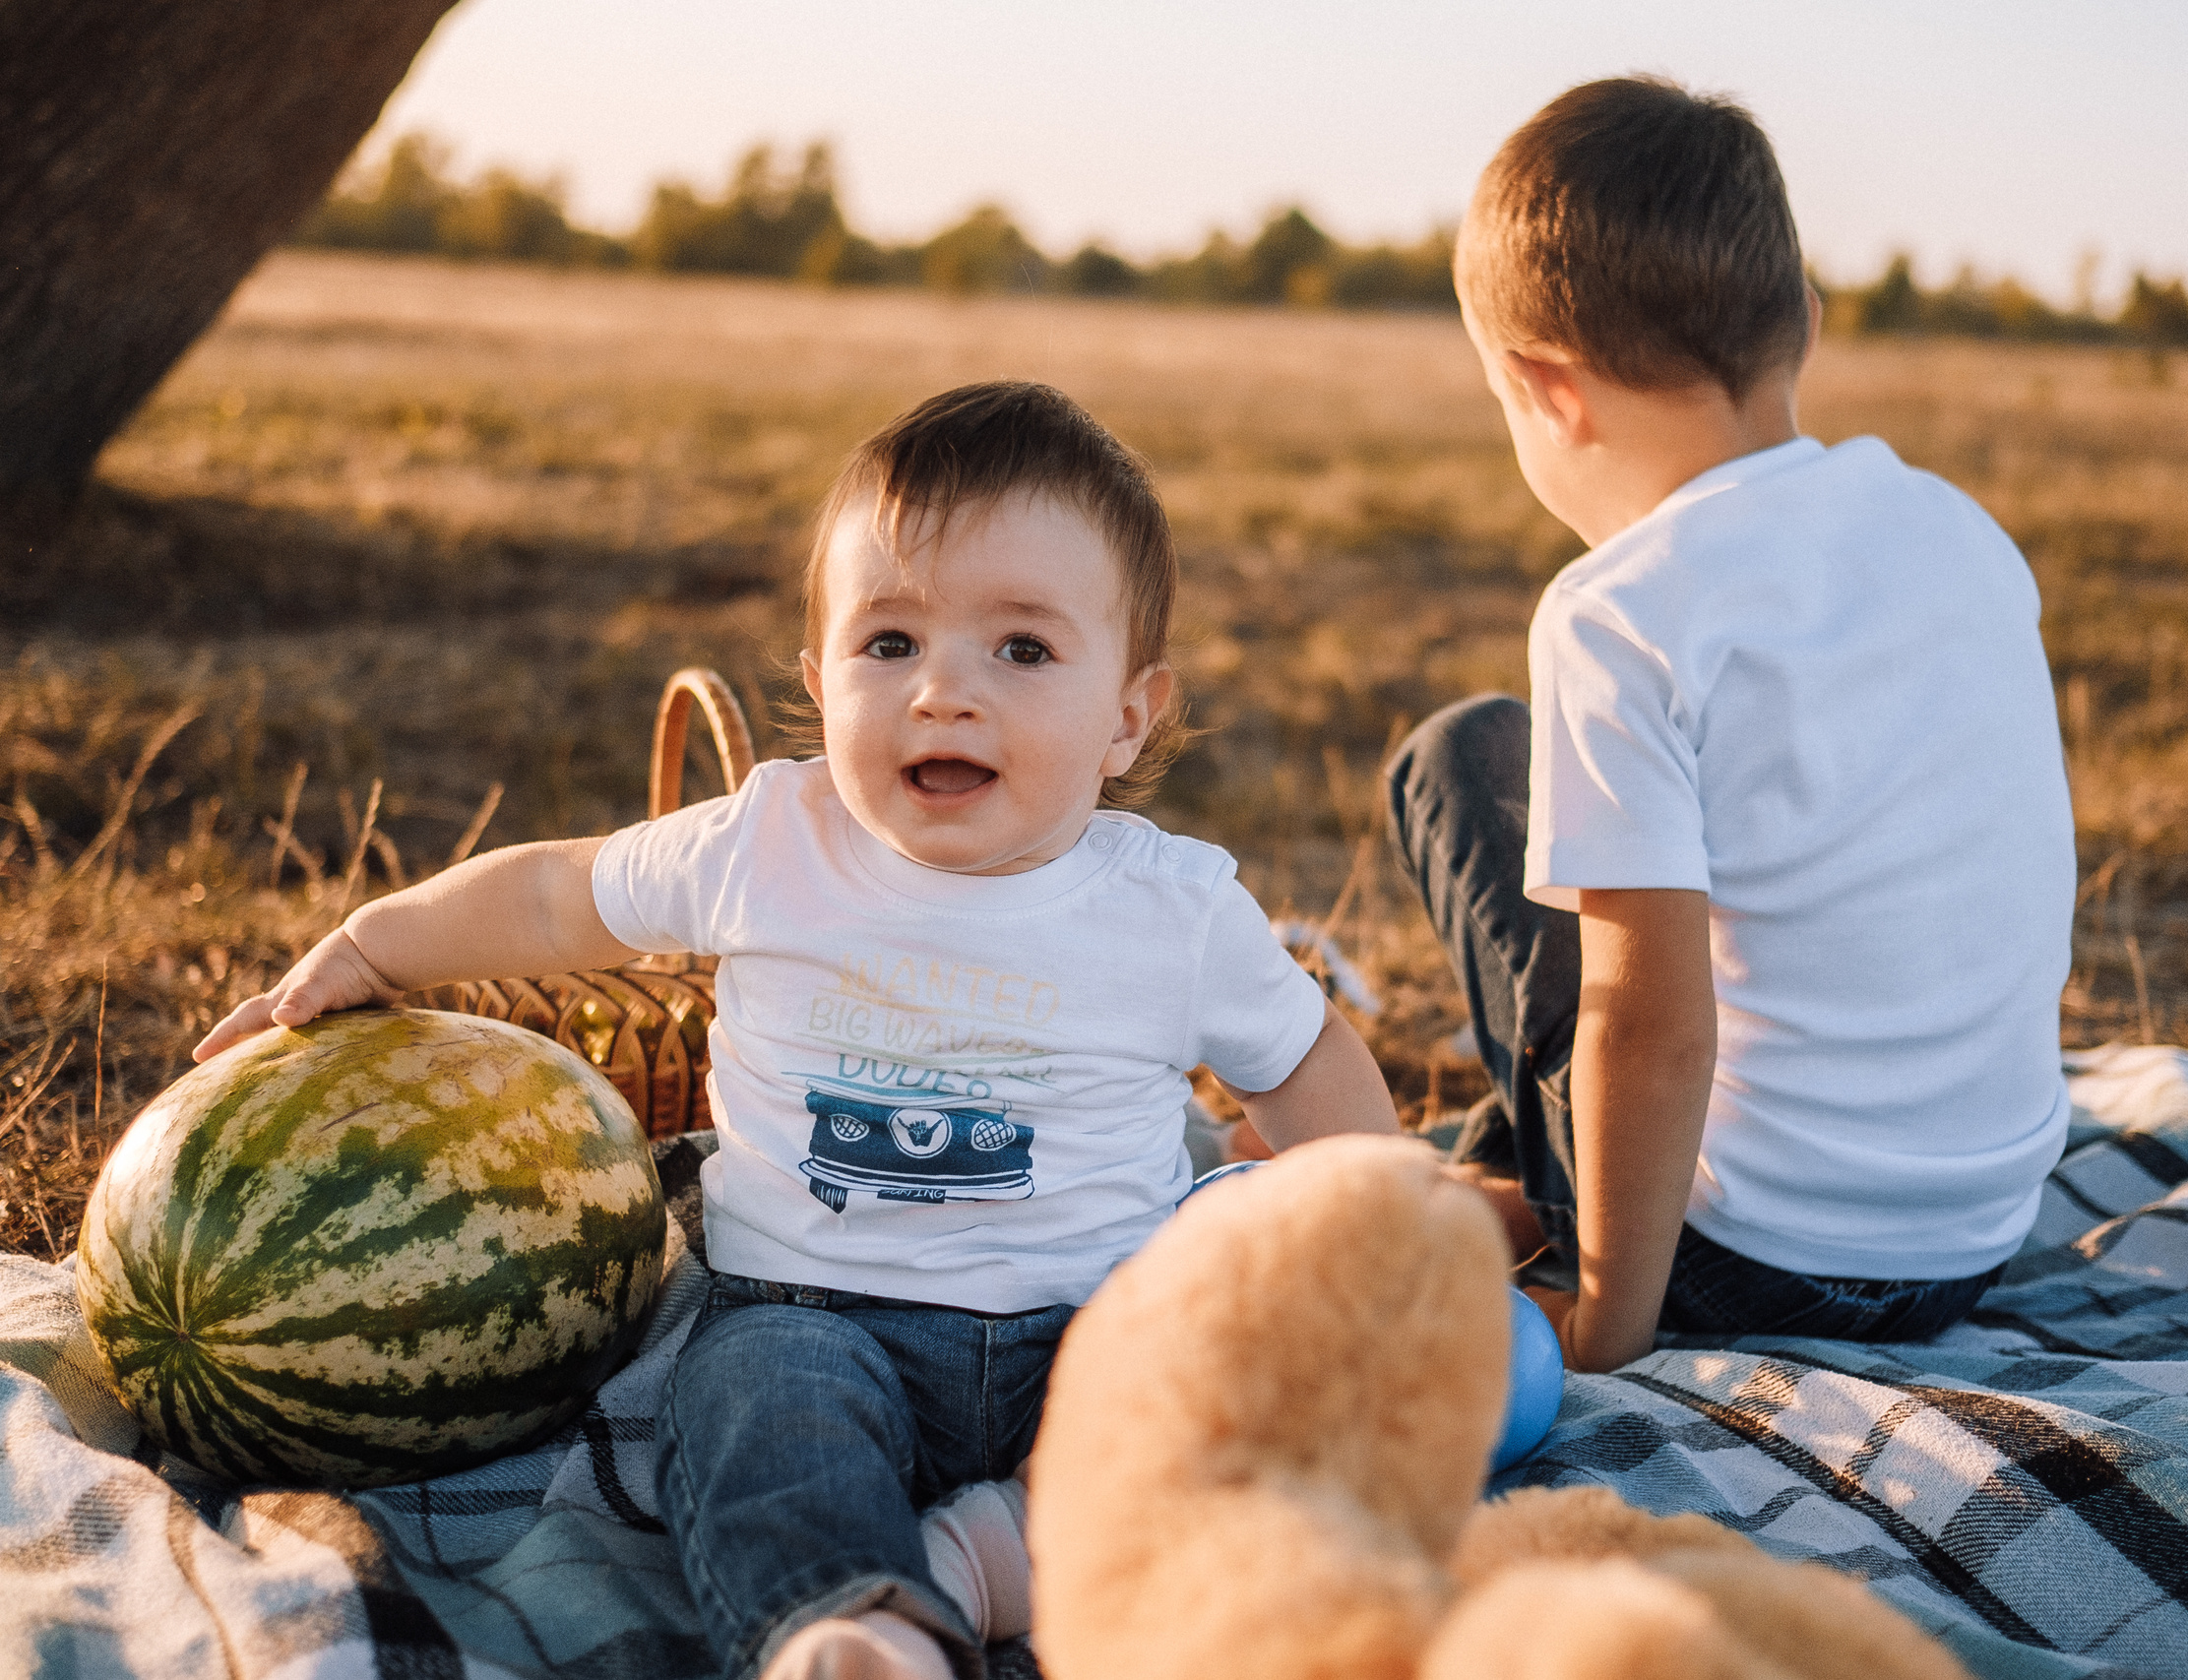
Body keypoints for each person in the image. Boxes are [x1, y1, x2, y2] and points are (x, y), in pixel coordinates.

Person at [197, 381, 1402, 1680]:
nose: (943, 693)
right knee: (748, 1414)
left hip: (1098, 1322)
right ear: (820, 677)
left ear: (1128, 715)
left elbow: (1309, 1063)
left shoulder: (1173, 910)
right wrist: (380, 941)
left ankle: (1001, 1557)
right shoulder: (768, 843)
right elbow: (558, 893)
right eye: (890, 643)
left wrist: (1383, 1225)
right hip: (820, 1316)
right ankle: (856, 1626)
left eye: (1023, 651)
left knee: (1230, 1385)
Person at [1389, 77, 2075, 1378]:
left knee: (1461, 758)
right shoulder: (1961, 537)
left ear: (1548, 392)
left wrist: (1609, 1329)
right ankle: (1511, 1166)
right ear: (1803, 326)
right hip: (1975, 1237)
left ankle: (1539, 1195)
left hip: (1752, 1258)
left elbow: (1647, 1025)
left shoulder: (1616, 614)